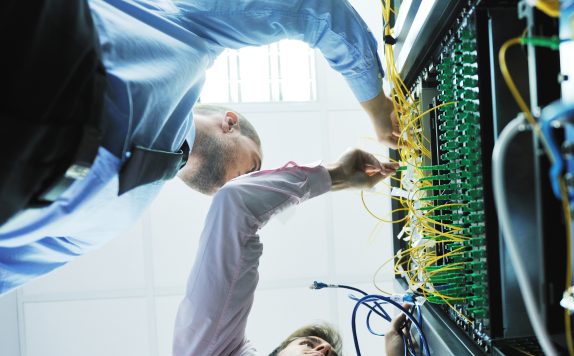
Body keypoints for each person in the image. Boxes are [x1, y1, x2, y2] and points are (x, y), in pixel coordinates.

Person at [0, 0, 400, 294]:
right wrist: (378, 107)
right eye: (255, 164)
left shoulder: (111, 223)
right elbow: (311, 11)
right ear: (230, 122)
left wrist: (334, 178)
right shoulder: (186, 32)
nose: (255, 178)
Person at [167, 147, 430, 356]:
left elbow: (235, 206)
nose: (325, 349)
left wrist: (338, 175)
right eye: (309, 344)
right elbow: (234, 203)